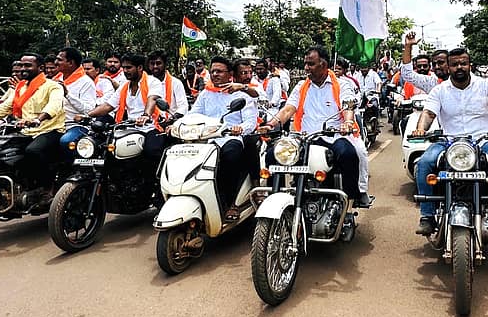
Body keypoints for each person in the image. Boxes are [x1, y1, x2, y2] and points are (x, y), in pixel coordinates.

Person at [411, 47, 488, 238]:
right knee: (424, 163)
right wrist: (421, 129)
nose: (459, 67)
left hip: (483, 140)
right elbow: (428, 113)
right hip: (448, 141)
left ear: (470, 65)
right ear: (448, 67)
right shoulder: (439, 90)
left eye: (463, 63)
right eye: (454, 64)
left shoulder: (486, 85)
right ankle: (427, 216)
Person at [259, 46, 373, 208]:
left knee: (350, 154)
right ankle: (274, 195)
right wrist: (270, 124)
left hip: (333, 136)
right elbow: (288, 109)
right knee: (273, 155)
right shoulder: (301, 86)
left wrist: (347, 122)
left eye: (311, 64)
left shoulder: (342, 85)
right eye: (306, 63)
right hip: (304, 137)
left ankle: (352, 197)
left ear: (323, 64)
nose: (306, 68)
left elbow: (348, 106)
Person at [0, 53, 65, 190]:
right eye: (21, 65)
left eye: (28, 65)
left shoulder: (53, 86)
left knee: (33, 151)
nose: (23, 69)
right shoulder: (21, 87)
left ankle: (45, 188)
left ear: (40, 68)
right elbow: (5, 107)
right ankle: (8, 187)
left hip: (49, 130)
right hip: (27, 131)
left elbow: (54, 106)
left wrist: (37, 119)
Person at [189, 56, 258, 221]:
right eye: (212, 71)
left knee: (230, 156)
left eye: (219, 71)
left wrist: (240, 128)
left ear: (230, 74)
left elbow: (250, 120)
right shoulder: (206, 93)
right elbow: (193, 114)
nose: (214, 74)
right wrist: (179, 124)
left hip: (231, 138)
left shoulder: (241, 94)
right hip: (208, 140)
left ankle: (231, 203)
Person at [83, 53, 166, 172]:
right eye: (124, 68)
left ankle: (151, 186)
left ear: (140, 68)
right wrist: (86, 116)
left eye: (129, 67)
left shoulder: (152, 82)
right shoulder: (124, 86)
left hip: (151, 127)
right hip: (129, 127)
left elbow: (152, 99)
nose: (125, 71)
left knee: (151, 151)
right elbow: (108, 106)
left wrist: (145, 116)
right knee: (107, 150)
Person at [54, 47, 98, 156]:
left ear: (70, 63)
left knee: (66, 141)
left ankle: (72, 170)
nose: (56, 62)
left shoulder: (86, 82)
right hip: (54, 124)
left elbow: (88, 110)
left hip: (75, 125)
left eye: (59, 60)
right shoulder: (56, 80)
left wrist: (67, 94)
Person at [148, 50, 189, 117]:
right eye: (152, 64)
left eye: (158, 63)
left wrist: (174, 117)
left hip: (171, 122)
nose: (155, 66)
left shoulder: (176, 83)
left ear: (165, 64)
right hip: (149, 123)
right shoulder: (145, 83)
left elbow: (183, 106)